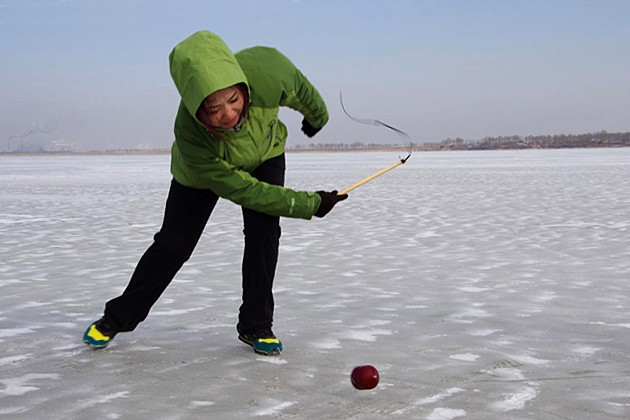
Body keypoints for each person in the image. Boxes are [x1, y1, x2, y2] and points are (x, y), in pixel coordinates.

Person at [82, 31, 347, 356]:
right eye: (213, 108)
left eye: (234, 100)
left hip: (265, 154)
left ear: (242, 85)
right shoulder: (191, 136)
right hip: (202, 175)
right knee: (174, 245)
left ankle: (256, 326)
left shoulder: (268, 67)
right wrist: (310, 203)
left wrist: (317, 117)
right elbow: (246, 191)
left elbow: (301, 90)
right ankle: (117, 317)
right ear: (197, 108)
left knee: (264, 234)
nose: (228, 114)